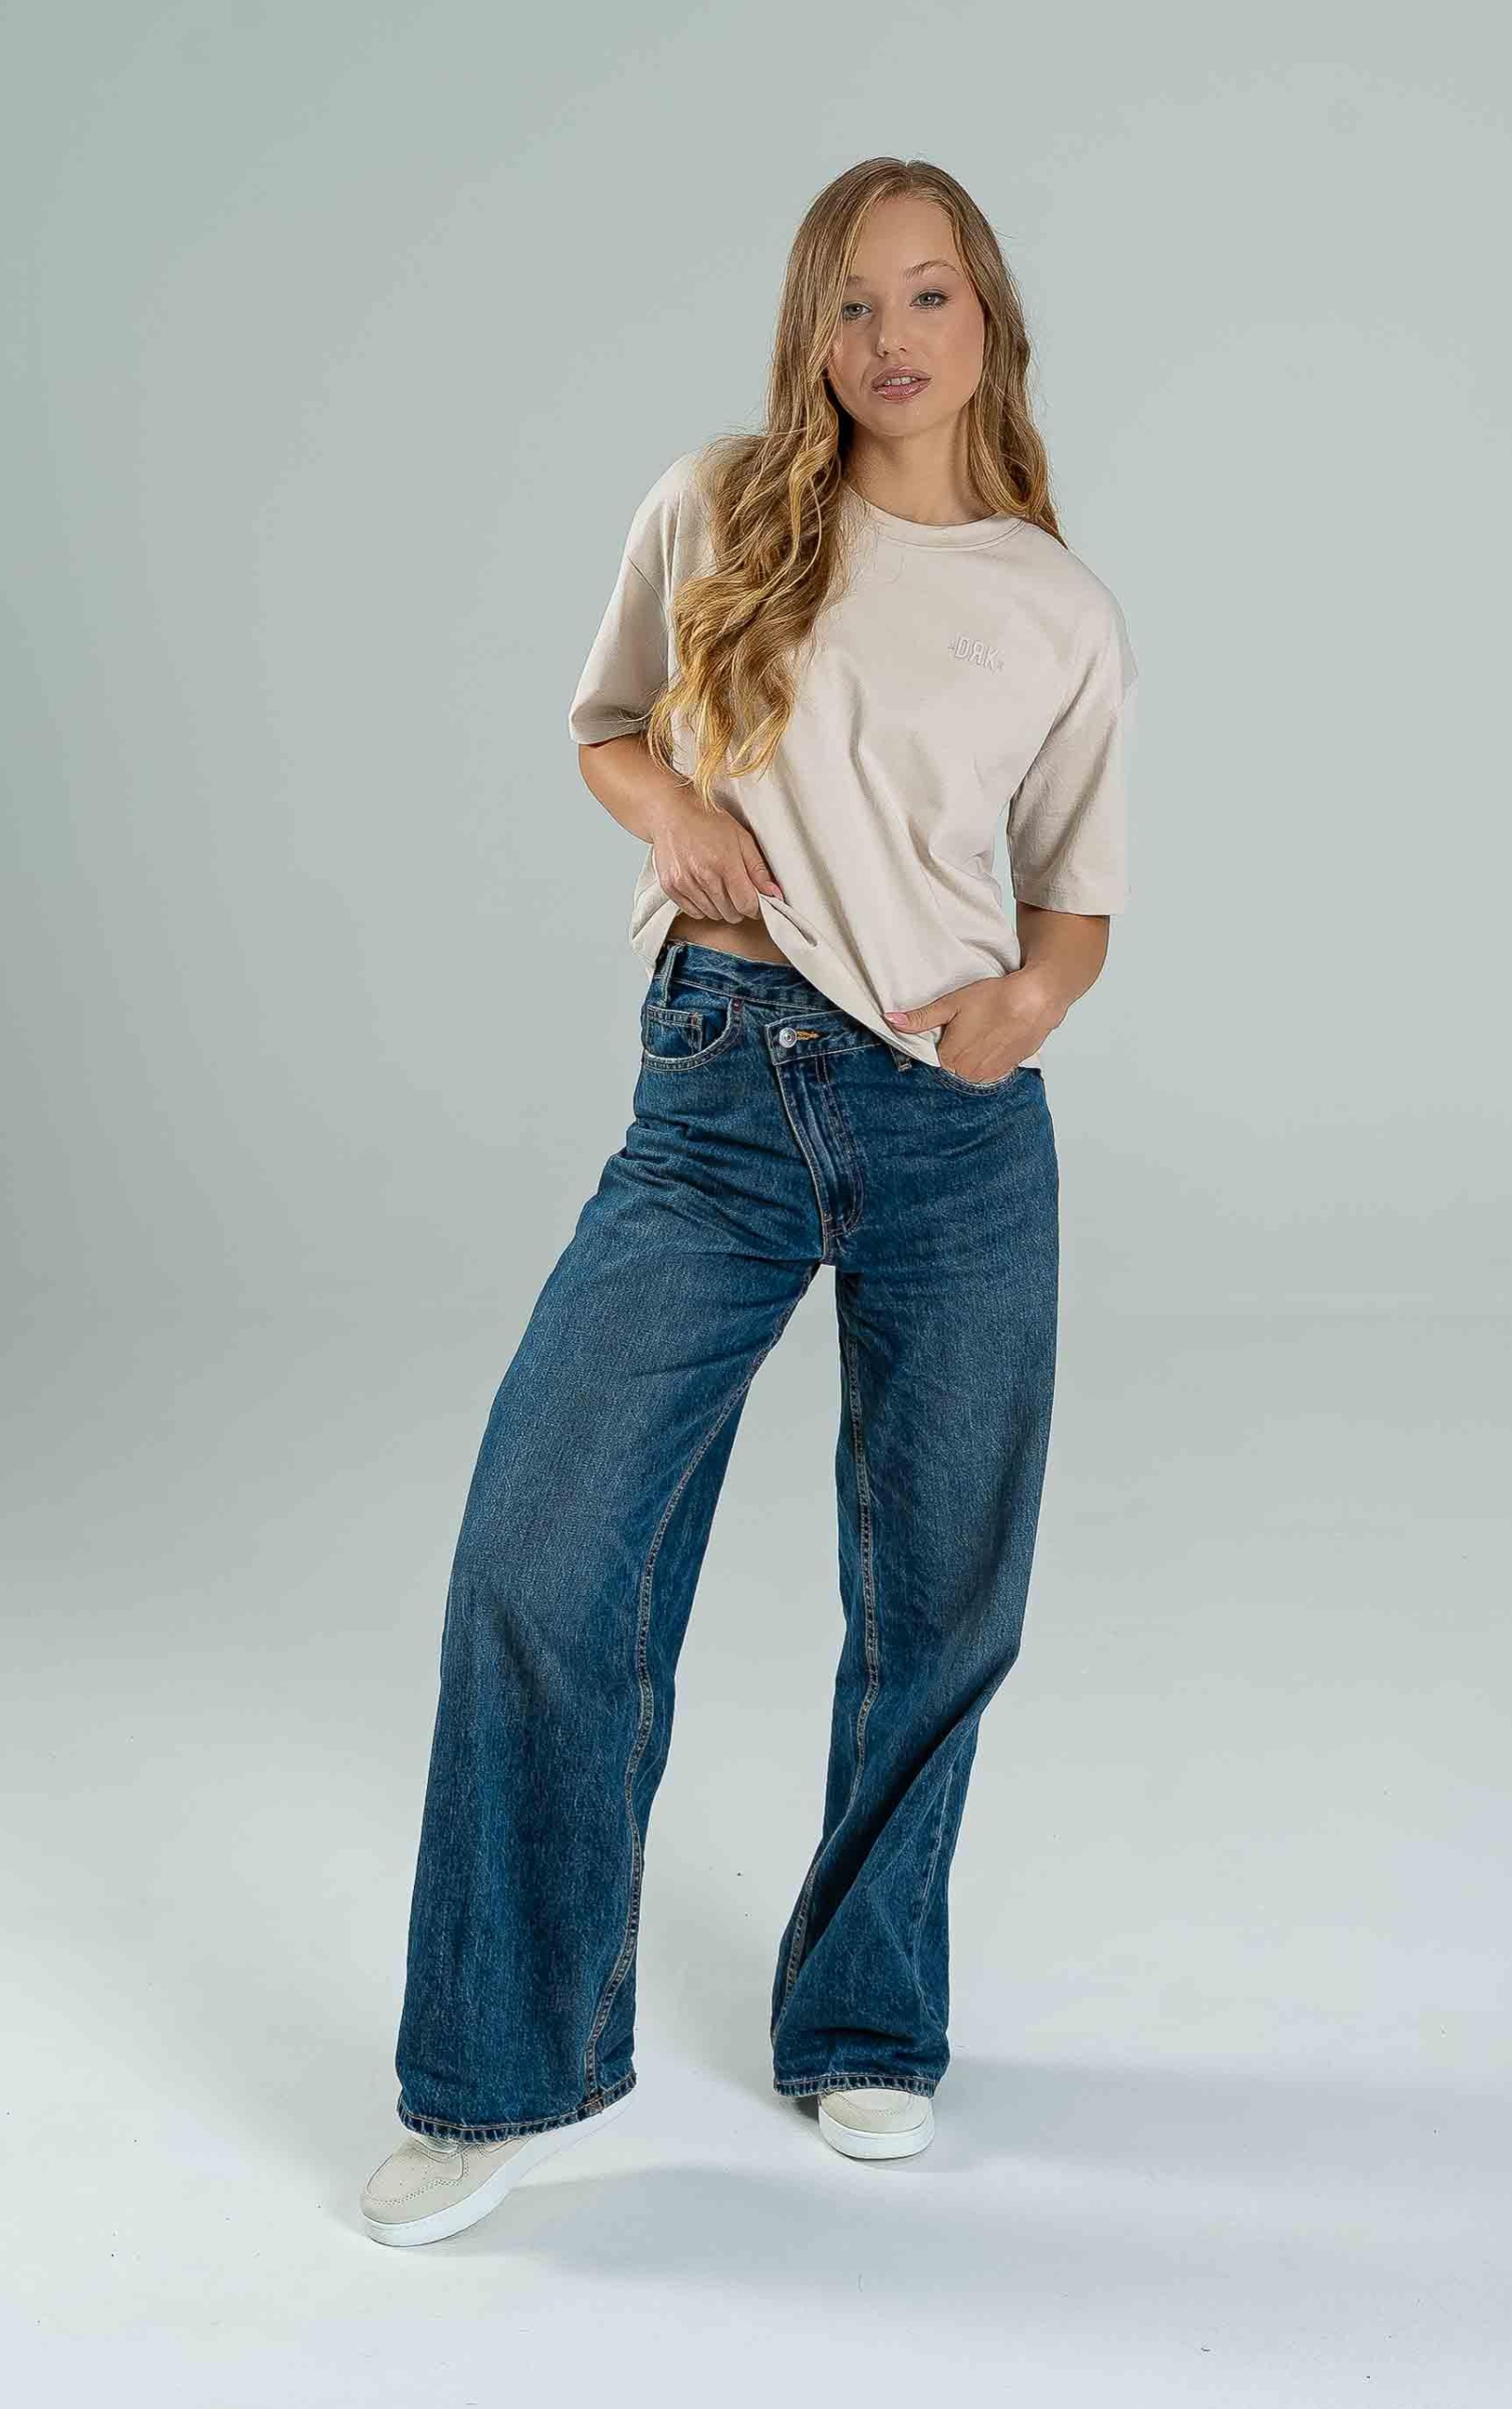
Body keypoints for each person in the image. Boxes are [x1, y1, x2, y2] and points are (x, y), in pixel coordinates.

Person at [360, 154, 1137, 2246]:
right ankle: (499, 2067)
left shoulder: (1056, 606)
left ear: (989, 320)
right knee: (545, 1551)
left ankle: (867, 2015)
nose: (890, 340)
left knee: (945, 1592)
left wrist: (1024, 1010)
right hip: (718, 1089)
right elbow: (606, 727)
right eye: (850, 304)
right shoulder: (718, 504)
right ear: (810, 329)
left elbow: (1073, 902)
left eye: (929, 296)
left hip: (957, 1131)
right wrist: (676, 815)